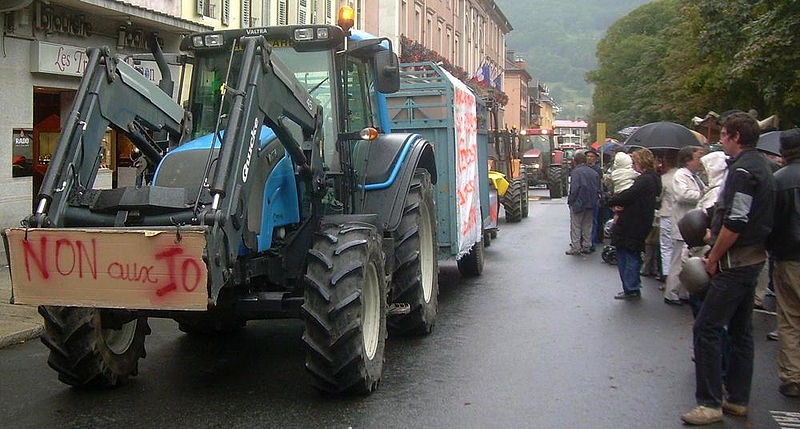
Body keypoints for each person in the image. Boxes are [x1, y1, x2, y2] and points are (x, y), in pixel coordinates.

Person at [681, 112, 775, 425]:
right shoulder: (762, 165)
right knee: (740, 330)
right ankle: (737, 399)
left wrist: (713, 256)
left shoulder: (744, 170)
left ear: (735, 137)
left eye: (723, 134)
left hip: (735, 262)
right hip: (753, 259)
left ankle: (709, 403)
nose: (720, 139)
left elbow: (736, 220)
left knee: (706, 328)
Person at [769, 128, 800, 397]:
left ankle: (792, 376)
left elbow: (771, 223)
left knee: (790, 318)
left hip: (788, 256)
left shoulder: (778, 180)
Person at [607, 148, 661, 300]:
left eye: (635, 162)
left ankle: (631, 287)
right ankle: (632, 285)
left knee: (627, 254)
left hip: (633, 221)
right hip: (641, 220)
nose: (633, 165)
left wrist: (612, 201)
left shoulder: (644, 180)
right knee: (632, 252)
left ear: (641, 163)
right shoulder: (652, 178)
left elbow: (629, 195)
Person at [664, 146, 706, 306]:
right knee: (677, 261)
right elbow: (683, 195)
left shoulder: (695, 177)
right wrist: (703, 194)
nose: (700, 162)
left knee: (687, 260)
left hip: (692, 225)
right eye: (697, 158)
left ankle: (683, 292)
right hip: (683, 223)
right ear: (688, 160)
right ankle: (671, 292)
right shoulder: (680, 175)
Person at [566, 150, 600, 255]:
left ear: (575, 161)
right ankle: (587, 245)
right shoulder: (593, 172)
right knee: (587, 225)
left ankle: (576, 247)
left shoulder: (576, 172)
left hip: (578, 203)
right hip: (591, 202)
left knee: (576, 226)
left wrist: (570, 201)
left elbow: (574, 189)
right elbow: (598, 188)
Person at [658, 154, 678, 284]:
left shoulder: (664, 179)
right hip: (680, 216)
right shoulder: (685, 177)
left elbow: (658, 197)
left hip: (666, 214)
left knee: (666, 247)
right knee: (677, 247)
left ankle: (666, 275)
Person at [586, 149, 603, 250]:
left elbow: (599, 184)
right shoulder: (583, 168)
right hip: (585, 197)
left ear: (595, 158)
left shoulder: (597, 170)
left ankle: (592, 241)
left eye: (591, 156)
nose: (589, 158)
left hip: (594, 197)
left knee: (594, 220)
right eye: (588, 156)